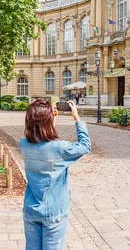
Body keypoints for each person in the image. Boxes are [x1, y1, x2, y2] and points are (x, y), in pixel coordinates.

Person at [19, 99, 91, 250]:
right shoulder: (60, 149)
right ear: (48, 121)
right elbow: (85, 146)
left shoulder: (23, 144)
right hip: (54, 211)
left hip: (31, 208)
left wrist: (51, 119)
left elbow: (42, 140)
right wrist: (76, 118)